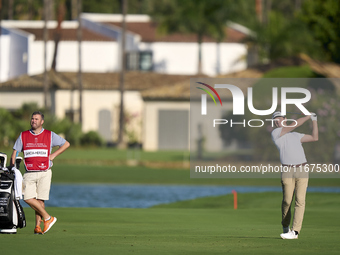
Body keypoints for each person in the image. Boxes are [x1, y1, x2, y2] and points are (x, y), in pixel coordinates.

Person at [11, 111, 70, 234]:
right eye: (32, 119)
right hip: (29, 172)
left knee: (40, 200)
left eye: (36, 119)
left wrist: (53, 155)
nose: (34, 121)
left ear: (42, 122)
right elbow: (15, 152)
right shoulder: (24, 135)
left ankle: (38, 226)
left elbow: (66, 144)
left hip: (45, 171)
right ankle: (48, 218)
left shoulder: (49, 135)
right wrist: (13, 167)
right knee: (27, 198)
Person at [271, 111, 318, 239]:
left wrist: (314, 120)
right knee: (287, 201)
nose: (276, 121)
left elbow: (315, 138)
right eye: (274, 120)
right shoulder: (276, 133)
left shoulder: (296, 136)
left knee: (300, 200)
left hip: (302, 168)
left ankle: (295, 231)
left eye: (279, 119)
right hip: (287, 170)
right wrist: (308, 116)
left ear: (284, 119)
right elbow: (294, 125)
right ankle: (285, 226)